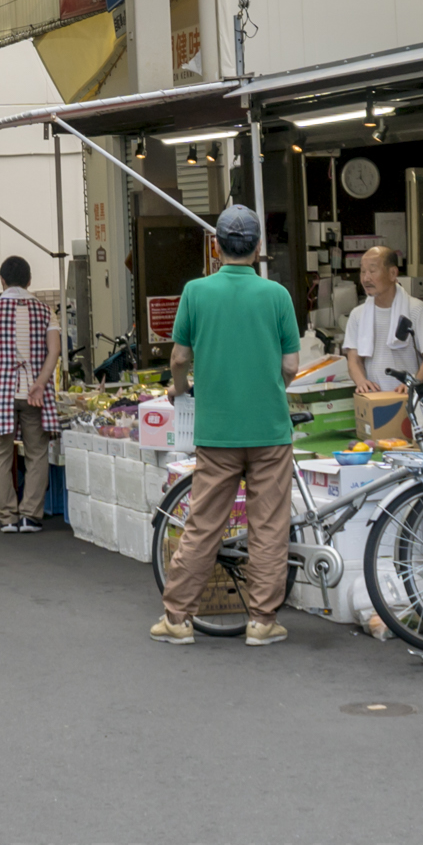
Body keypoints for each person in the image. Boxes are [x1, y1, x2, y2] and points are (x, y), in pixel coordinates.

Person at [154, 205, 302, 646]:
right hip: (269, 431)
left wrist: (181, 387)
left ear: (216, 246)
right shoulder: (277, 295)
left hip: (216, 432)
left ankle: (178, 618)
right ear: (258, 248)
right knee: (268, 527)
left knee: (203, 524)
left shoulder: (196, 292)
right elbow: (290, 366)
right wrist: (268, 388)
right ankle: (262, 621)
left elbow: (179, 357)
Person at [0, 254, 63, 532]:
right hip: (34, 392)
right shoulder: (46, 310)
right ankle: (30, 515)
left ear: (2, 280)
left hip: (0, 392)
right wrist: (40, 381)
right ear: (29, 281)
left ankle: (7, 516)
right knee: (37, 453)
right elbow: (54, 350)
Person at [341, 244, 423, 397]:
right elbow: (354, 360)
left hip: (410, 397)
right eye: (363, 271)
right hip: (375, 397)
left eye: (372, 271)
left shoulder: (416, 310)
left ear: (393, 273)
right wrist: (361, 382)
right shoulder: (357, 315)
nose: (366, 278)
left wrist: (415, 382)